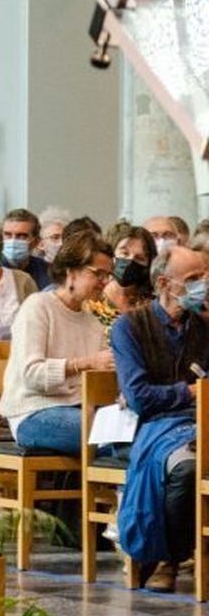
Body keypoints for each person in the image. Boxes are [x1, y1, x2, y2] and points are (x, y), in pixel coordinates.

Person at [113, 246, 209, 592]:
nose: (205, 284)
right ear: (166, 283)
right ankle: (171, 556)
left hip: (203, 420)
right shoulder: (129, 327)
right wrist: (191, 392)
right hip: (156, 425)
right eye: (195, 279)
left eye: (206, 276)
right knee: (186, 468)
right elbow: (140, 397)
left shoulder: (204, 324)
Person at [0, 230, 116, 455]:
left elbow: (98, 379)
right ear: (71, 272)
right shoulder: (38, 306)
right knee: (110, 437)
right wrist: (85, 363)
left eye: (108, 275)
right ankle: (118, 489)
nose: (104, 282)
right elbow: (31, 374)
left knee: (133, 430)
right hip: (34, 411)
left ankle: (119, 488)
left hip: (80, 408)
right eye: (98, 274)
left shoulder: (93, 320)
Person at [2, 208, 52, 289]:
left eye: (21, 236)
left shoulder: (47, 271)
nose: (13, 241)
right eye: (7, 235)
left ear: (36, 241)